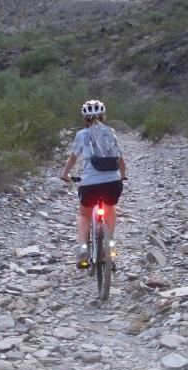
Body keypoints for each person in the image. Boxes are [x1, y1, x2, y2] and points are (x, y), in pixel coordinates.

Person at [60, 99, 126, 268]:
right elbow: (121, 160)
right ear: (103, 116)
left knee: (84, 214)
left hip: (89, 184)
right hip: (113, 182)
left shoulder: (81, 135)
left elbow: (73, 158)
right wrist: (123, 176)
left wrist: (65, 174)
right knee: (110, 208)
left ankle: (83, 248)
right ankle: (109, 247)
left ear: (85, 119)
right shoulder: (111, 132)